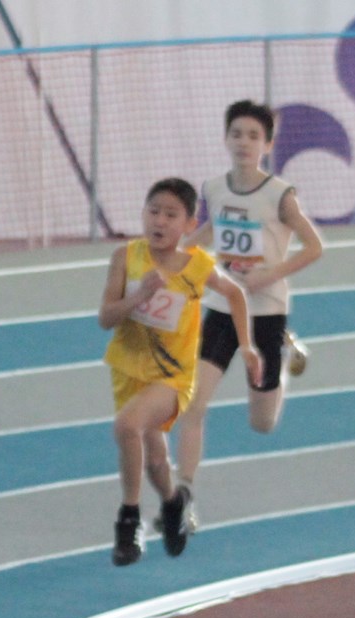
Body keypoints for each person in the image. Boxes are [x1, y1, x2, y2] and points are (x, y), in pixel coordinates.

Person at [172, 99, 324, 531]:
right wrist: (171, 255)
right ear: (226, 139)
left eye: (254, 136)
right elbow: (211, 230)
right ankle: (183, 498)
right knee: (193, 403)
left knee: (262, 423)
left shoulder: (280, 195)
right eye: (237, 133)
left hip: (266, 312)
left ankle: (283, 353)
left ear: (267, 145)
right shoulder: (214, 189)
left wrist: (268, 275)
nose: (244, 142)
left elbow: (314, 247)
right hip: (223, 309)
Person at [98, 177, 260, 566]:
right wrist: (140, 294)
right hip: (128, 370)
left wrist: (247, 345)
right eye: (153, 211)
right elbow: (106, 318)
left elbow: (236, 294)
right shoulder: (126, 257)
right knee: (155, 460)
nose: (159, 221)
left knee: (126, 427)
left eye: (171, 215)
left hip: (173, 377)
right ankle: (174, 504)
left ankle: (129, 521)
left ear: (189, 224)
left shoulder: (197, 266)